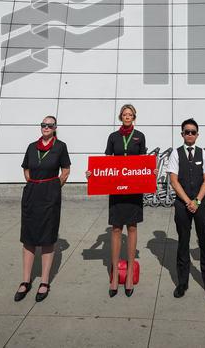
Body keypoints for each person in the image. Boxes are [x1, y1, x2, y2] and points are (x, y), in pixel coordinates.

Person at [86, 103, 146, 297]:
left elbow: (144, 161)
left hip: (134, 189)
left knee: (132, 227)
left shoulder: (140, 136)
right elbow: (106, 162)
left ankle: (128, 274)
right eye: (124, 114)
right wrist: (93, 174)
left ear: (134, 117)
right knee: (116, 228)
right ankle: (114, 276)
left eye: (130, 114)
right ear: (121, 117)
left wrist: (151, 171)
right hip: (117, 189)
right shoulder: (113, 137)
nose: (127, 117)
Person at [15, 115, 70, 303]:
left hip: (49, 194)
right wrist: (32, 182)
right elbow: (26, 168)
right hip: (32, 193)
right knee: (28, 237)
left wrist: (54, 186)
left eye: (49, 125)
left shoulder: (60, 146)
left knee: (47, 236)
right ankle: (25, 280)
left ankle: (44, 281)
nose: (46, 127)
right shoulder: (32, 147)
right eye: (43, 125)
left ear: (55, 128)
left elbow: (66, 170)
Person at [167, 118, 205, 300]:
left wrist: (196, 201)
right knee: (183, 242)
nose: (190, 134)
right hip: (182, 204)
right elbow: (174, 181)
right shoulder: (175, 154)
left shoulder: (204, 154)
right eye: (186, 132)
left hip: (200, 203)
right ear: (182, 134)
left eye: (193, 132)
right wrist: (188, 201)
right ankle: (182, 282)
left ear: (197, 135)